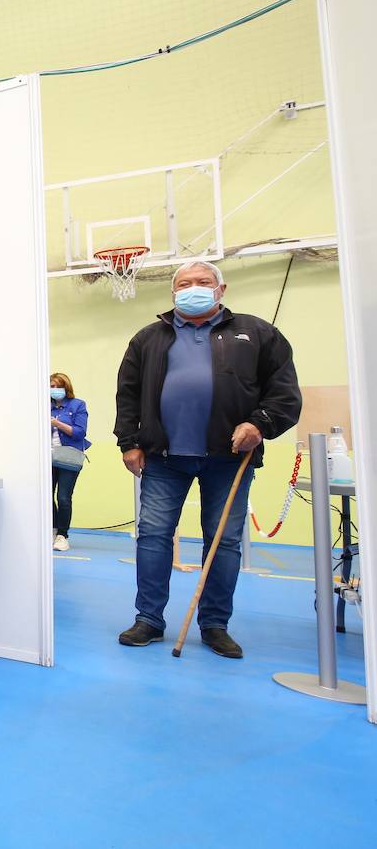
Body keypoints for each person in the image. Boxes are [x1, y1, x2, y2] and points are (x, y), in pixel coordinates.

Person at [114, 260, 301, 658]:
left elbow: (283, 392)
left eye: (202, 282)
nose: (193, 288)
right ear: (172, 292)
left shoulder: (256, 333)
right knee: (152, 536)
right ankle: (148, 618)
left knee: (224, 541)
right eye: (184, 283)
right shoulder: (148, 338)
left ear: (221, 289)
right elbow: (127, 395)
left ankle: (215, 625)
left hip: (229, 458)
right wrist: (129, 442)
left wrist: (259, 424)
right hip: (163, 458)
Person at [50, 372, 89, 552]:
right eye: (52, 386)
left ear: (66, 388)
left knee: (63, 497)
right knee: (45, 497)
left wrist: (57, 424)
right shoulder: (44, 407)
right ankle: (53, 529)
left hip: (69, 457)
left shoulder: (77, 405)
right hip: (47, 457)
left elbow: (80, 432)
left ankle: (63, 536)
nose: (55, 390)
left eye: (59, 386)